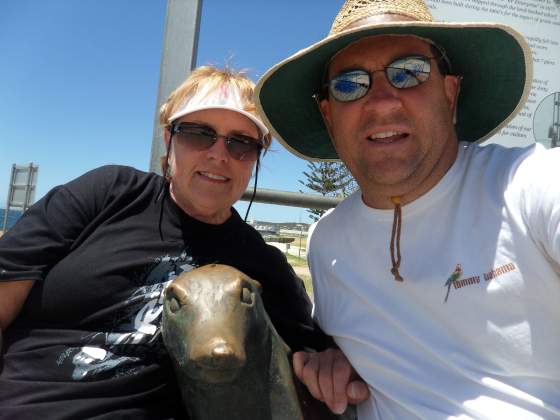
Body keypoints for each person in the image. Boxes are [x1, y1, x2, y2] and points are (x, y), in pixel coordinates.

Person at [256, 0, 560, 418]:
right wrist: (335, 361)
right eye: (349, 84)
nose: (382, 102)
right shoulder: (326, 243)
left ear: (449, 94)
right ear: (329, 116)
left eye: (410, 72)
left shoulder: (531, 184)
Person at [0, 66, 330, 419]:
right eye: (198, 134)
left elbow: (314, 357)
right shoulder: (109, 194)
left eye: (241, 143)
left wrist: (329, 362)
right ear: (168, 139)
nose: (219, 154)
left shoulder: (260, 265)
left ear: (255, 158)